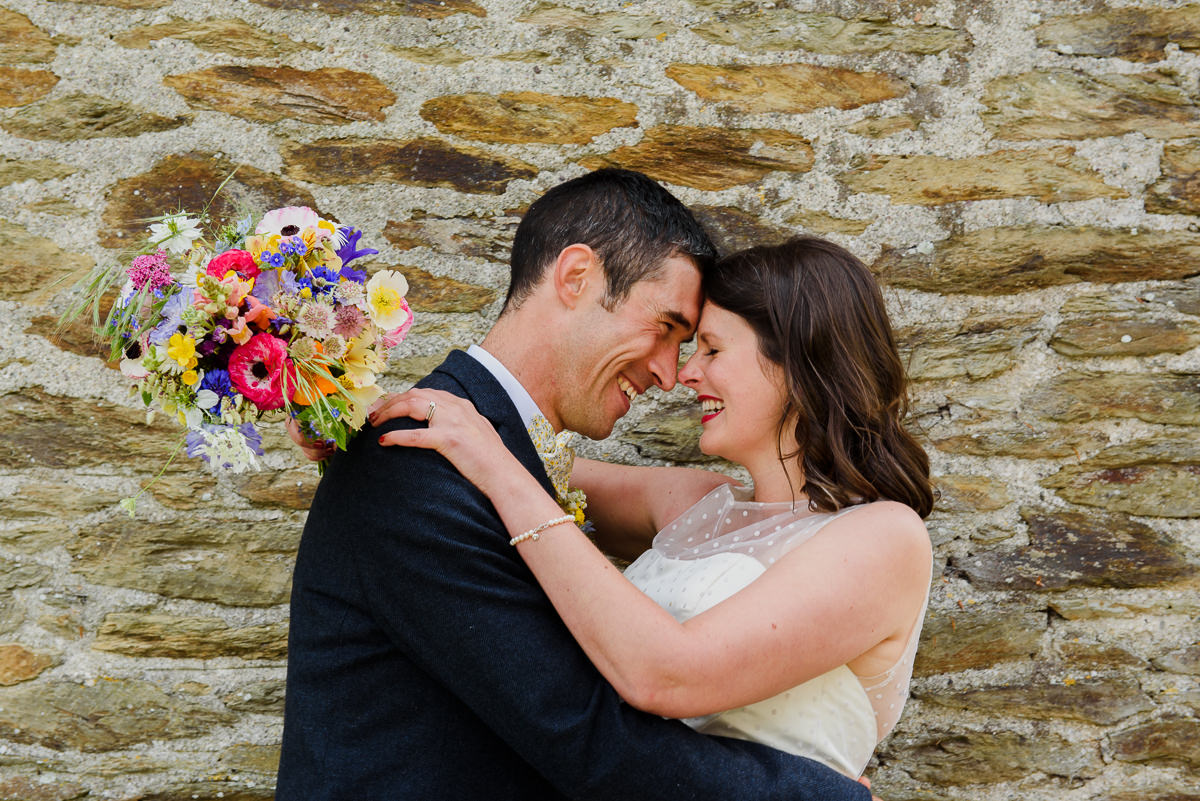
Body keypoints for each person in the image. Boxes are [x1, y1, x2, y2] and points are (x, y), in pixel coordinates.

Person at [276, 169, 873, 800]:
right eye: (666, 328)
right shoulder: (417, 465)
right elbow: (585, 736)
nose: (670, 376)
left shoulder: (478, 447)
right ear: (576, 277)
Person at [369, 236, 935, 780]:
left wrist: (496, 466)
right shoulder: (694, 501)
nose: (685, 374)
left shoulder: (882, 538)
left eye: (712, 349)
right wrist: (357, 421)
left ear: (797, 361)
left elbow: (669, 676)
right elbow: (508, 448)